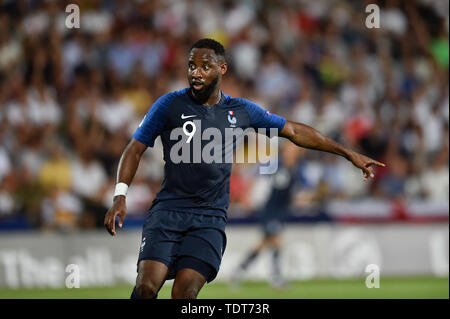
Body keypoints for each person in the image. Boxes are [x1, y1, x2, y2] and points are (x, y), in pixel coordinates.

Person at [104, 38, 385, 299]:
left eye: (205, 66)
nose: (196, 73)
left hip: (209, 219)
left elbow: (295, 132)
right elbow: (134, 148)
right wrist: (120, 196)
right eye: (192, 66)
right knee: (146, 288)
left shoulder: (242, 111)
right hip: (167, 213)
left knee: (184, 295)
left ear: (222, 68)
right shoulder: (168, 104)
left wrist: (348, 153)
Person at [232, 142, 303, 289]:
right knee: (276, 241)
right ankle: (276, 278)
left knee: (263, 244)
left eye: (295, 150)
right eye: (290, 150)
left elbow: (291, 196)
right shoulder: (277, 167)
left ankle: (239, 271)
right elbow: (260, 182)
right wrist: (249, 198)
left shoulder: (294, 171)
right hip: (270, 212)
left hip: (281, 212)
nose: (292, 153)